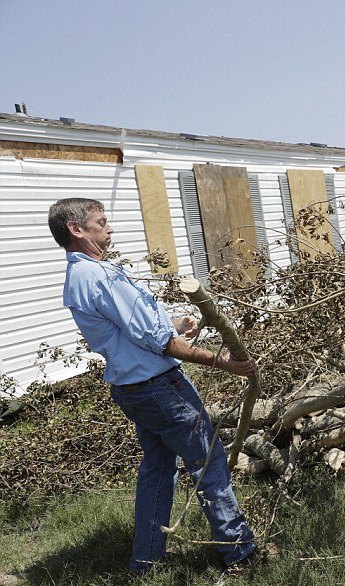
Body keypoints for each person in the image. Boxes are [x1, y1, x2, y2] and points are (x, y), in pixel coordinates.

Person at [48, 198, 259, 573]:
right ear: (76, 230)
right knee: (207, 462)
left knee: (158, 469)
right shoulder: (102, 277)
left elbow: (129, 332)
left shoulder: (79, 277)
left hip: (133, 389)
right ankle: (240, 551)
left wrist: (174, 324)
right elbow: (157, 343)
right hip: (161, 388)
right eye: (102, 221)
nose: (109, 228)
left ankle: (146, 560)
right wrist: (225, 363)